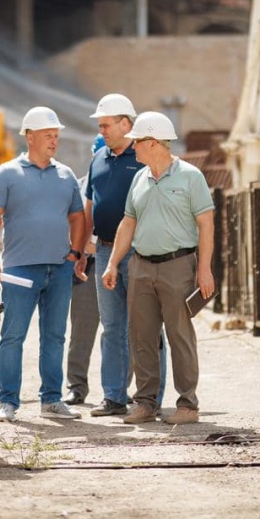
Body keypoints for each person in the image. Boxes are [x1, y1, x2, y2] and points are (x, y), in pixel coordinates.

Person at [102, 112, 214, 426]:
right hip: (140, 266)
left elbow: (206, 225)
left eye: (137, 141)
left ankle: (187, 405)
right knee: (141, 336)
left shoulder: (191, 176)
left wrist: (204, 270)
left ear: (153, 142)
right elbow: (128, 222)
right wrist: (113, 264)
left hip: (178, 265)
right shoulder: (139, 177)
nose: (133, 146)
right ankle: (146, 404)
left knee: (180, 336)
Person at [0, 107, 84, 422]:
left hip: (58, 268)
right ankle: (8, 402)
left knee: (55, 335)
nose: (54, 141)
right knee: (13, 336)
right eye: (48, 135)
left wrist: (75, 253)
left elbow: (77, 216)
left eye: (56, 135)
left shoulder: (66, 175)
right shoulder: (6, 174)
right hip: (19, 270)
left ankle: (52, 400)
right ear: (29, 137)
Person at [80, 95, 167, 417]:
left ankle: (150, 397)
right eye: (100, 125)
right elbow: (91, 204)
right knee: (112, 327)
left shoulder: (144, 156)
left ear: (126, 124)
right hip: (103, 251)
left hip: (140, 253)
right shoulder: (98, 158)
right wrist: (82, 248)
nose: (101, 129)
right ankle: (114, 397)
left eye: (106, 124)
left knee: (147, 327)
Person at [63, 174, 101, 407]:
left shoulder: (130, 176)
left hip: (117, 260)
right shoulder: (79, 183)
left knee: (121, 333)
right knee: (81, 330)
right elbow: (70, 218)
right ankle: (76, 387)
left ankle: (118, 390)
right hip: (87, 264)